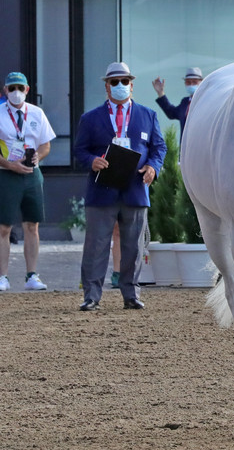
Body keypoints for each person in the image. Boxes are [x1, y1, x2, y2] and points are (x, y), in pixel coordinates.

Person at [74, 62, 167, 311]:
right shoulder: (90, 118)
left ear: (132, 86)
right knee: (96, 244)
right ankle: (91, 296)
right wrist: (91, 160)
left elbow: (159, 148)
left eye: (124, 81)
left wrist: (153, 168)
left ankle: (131, 294)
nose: (119, 86)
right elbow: (79, 151)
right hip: (102, 188)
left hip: (135, 187)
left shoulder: (148, 115)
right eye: (114, 82)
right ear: (106, 87)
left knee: (133, 245)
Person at [0, 72, 56, 291]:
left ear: (27, 90)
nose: (16, 92)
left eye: (20, 88)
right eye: (12, 88)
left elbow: (46, 145)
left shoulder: (36, 113)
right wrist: (9, 165)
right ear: (5, 90)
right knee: (4, 227)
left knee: (32, 225)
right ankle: (2, 276)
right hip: (6, 174)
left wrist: (38, 157)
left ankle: (32, 275)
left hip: (32, 174)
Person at [151, 67, 203, 140]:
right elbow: (171, 113)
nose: (191, 85)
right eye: (188, 82)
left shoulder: (206, 101)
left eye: (194, 82)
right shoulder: (185, 102)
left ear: (202, 83)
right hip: (186, 146)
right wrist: (160, 93)